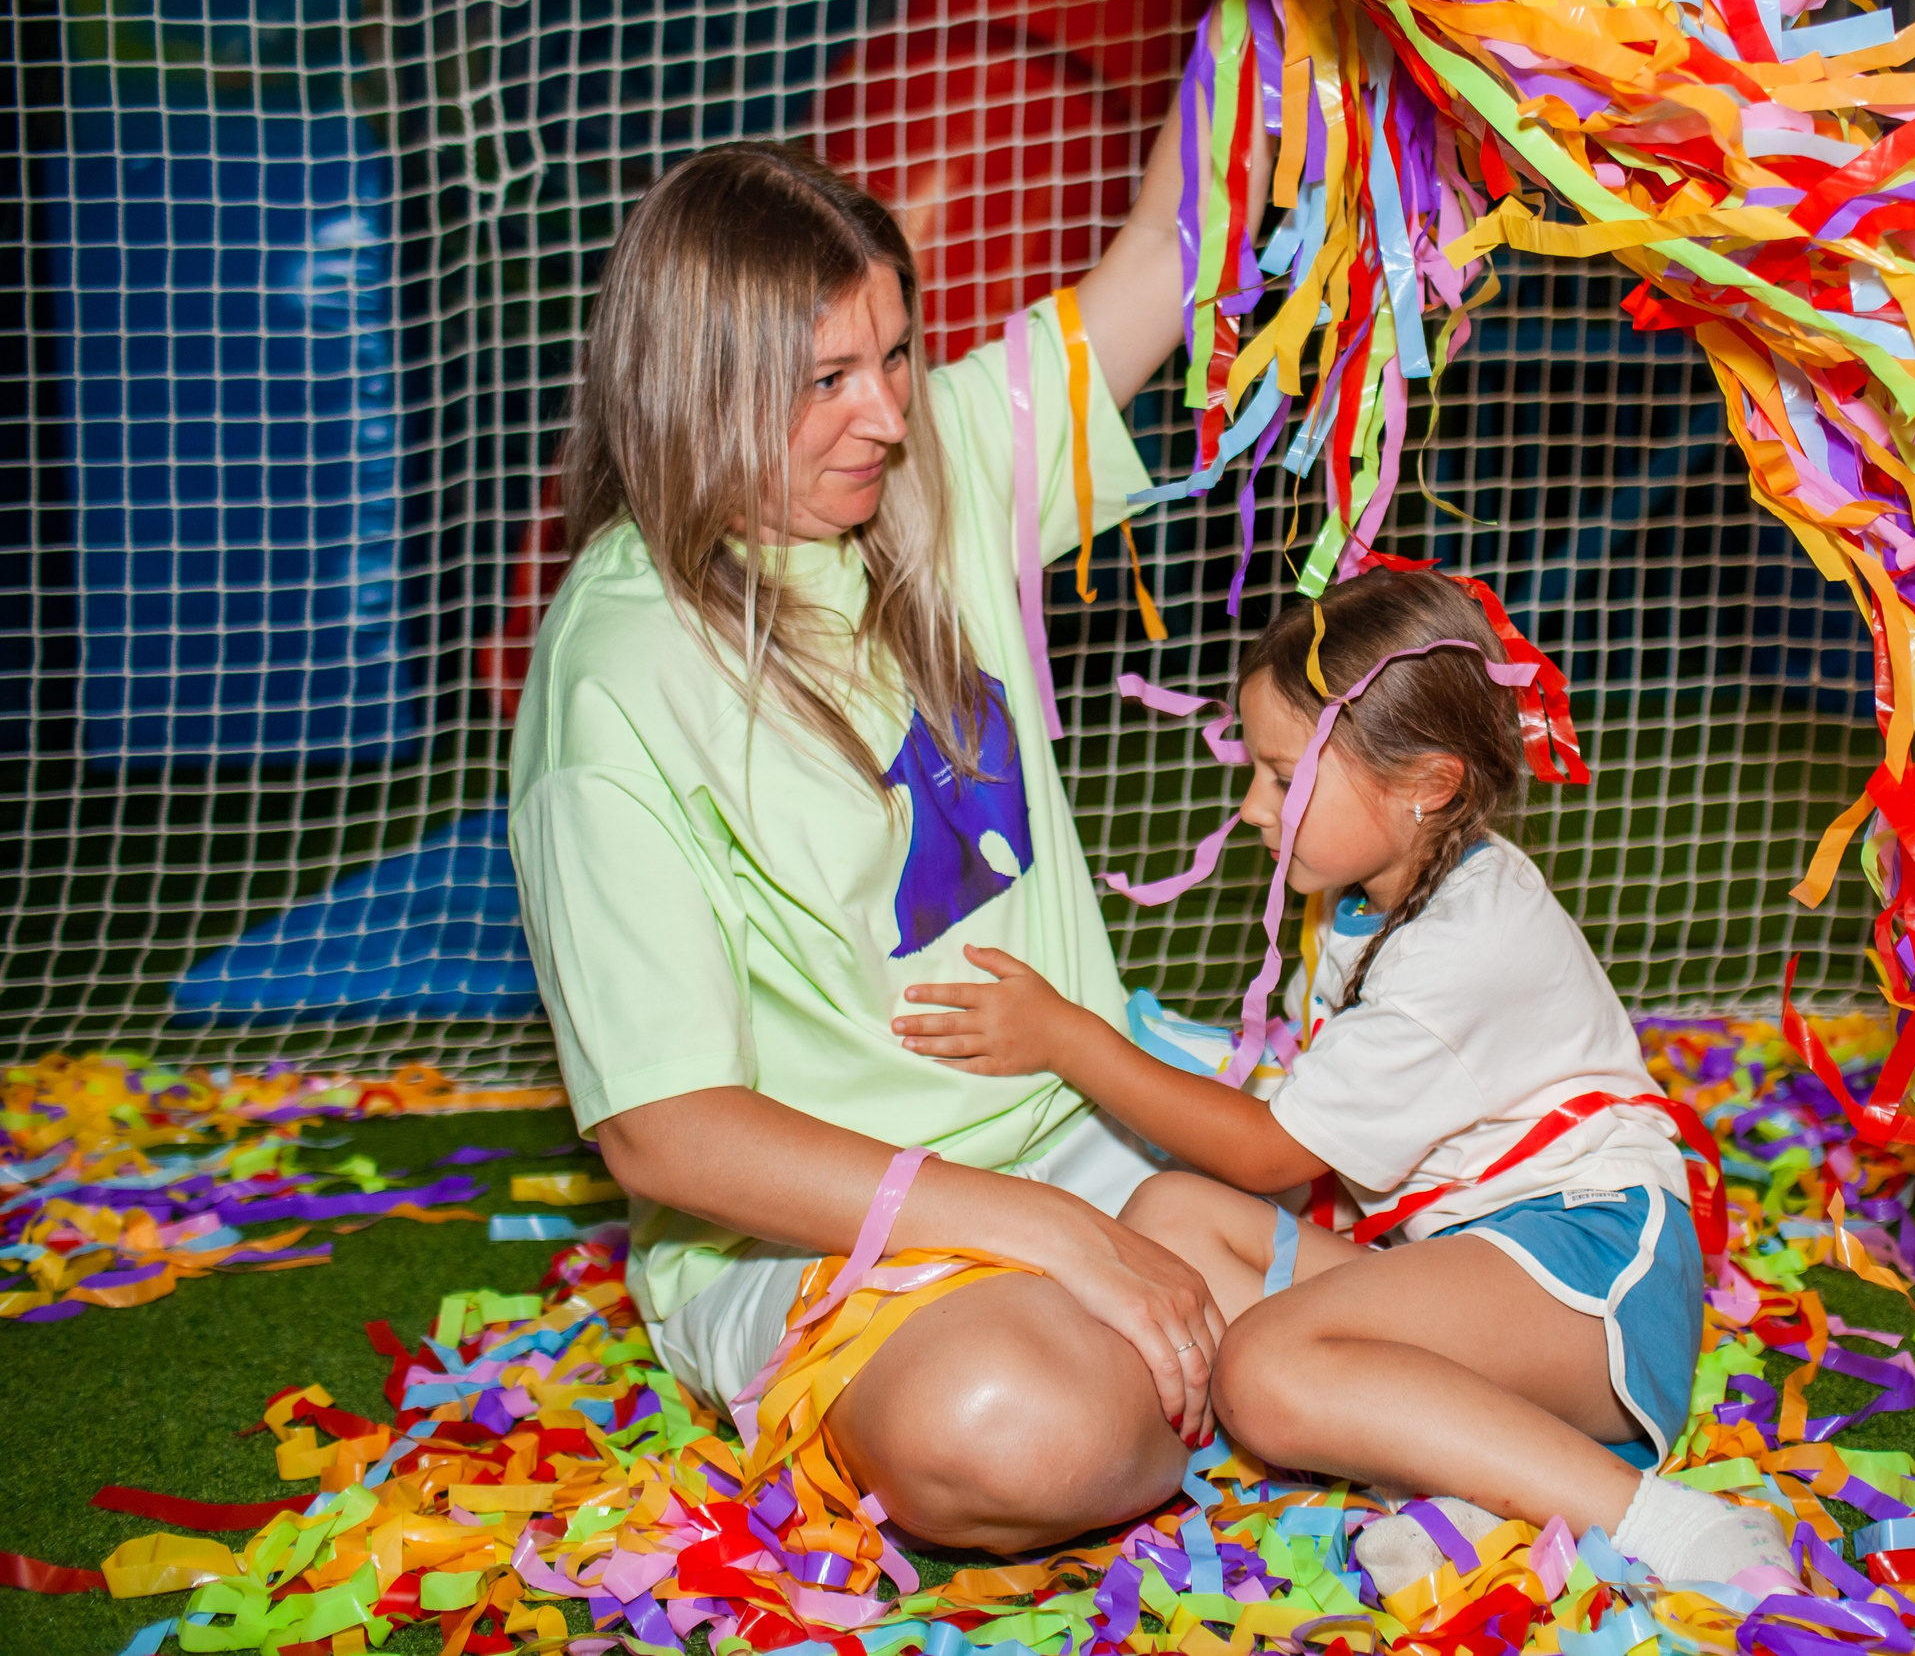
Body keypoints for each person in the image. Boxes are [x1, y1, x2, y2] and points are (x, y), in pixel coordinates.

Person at [510, 80, 1267, 1553]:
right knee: (1012, 1421)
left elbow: (1171, 254)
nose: (888, 411)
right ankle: (1194, 1337)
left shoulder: (923, 477)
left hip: (1076, 1126)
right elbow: (667, 1133)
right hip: (826, 1234)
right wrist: (1042, 1232)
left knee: (1428, 1266)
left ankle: (1191, 1321)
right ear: (698, 389)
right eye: (828, 379)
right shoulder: (615, 673)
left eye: (898, 356)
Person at [895, 569, 1797, 1589]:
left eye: (1283, 777)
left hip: (1588, 1285)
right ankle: (1468, 1474)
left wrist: (1073, 1041)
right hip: (1477, 1263)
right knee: (1171, 1215)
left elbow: (1269, 1149)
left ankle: (1675, 1529)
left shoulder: (1467, 938)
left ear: (1427, 783)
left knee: (1266, 1368)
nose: (1250, 810)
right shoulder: (1377, 889)